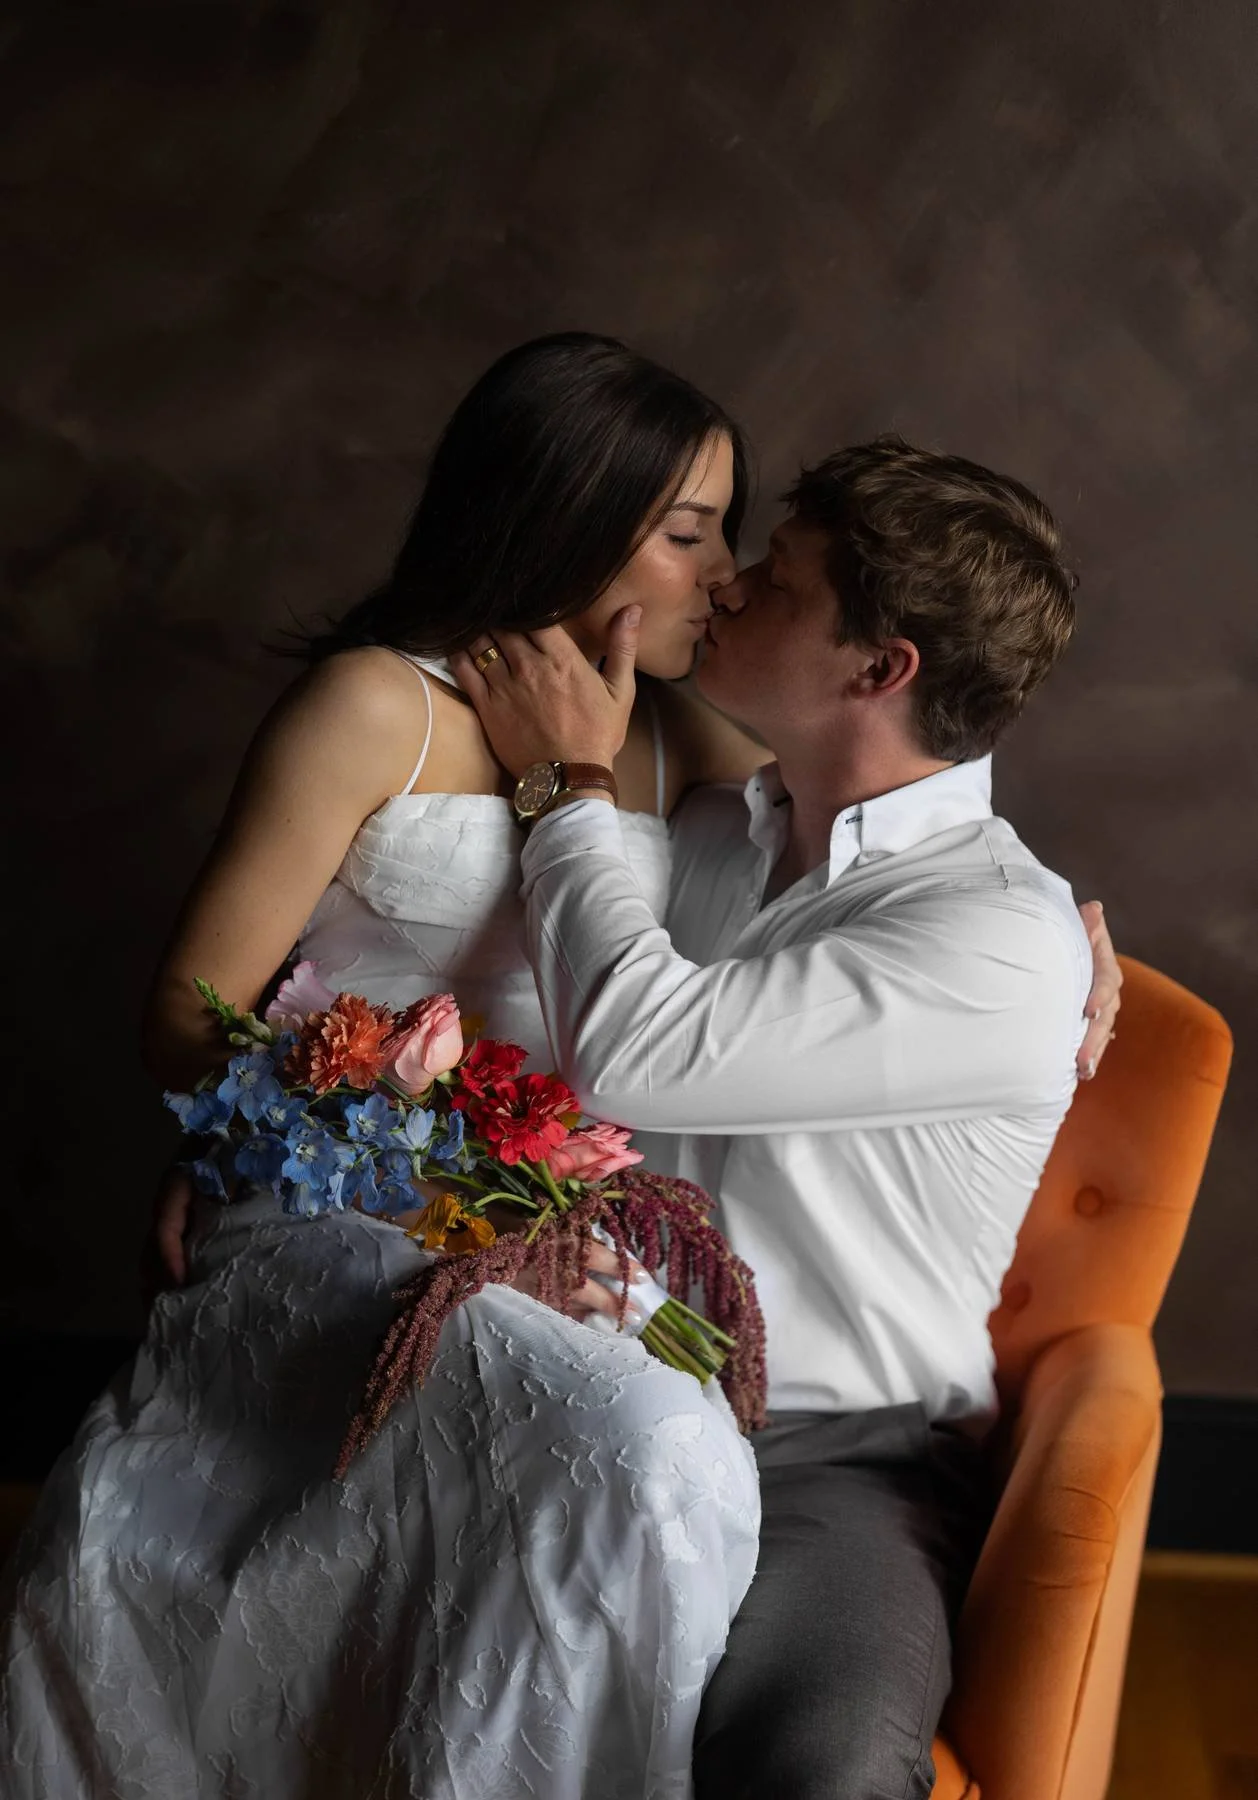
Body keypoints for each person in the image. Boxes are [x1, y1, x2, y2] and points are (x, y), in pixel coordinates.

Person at [0, 334, 770, 1800]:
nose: (723, 573)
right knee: (612, 1424)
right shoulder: (376, 703)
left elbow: (891, 846)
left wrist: (1070, 936)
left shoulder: (691, 731)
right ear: (565, 513)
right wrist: (366, 1121)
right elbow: (186, 1011)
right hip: (331, 1194)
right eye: (685, 532)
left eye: (728, 529)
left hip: (565, 1213)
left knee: (661, 1442)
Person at [449, 432, 1114, 1799]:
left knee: (819, 1767)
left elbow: (637, 1047)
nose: (731, 587)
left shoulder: (995, 935)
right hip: (577, 1401)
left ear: (878, 671)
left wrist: (562, 784)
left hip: (832, 1458)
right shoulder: (709, 833)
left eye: (780, 578)